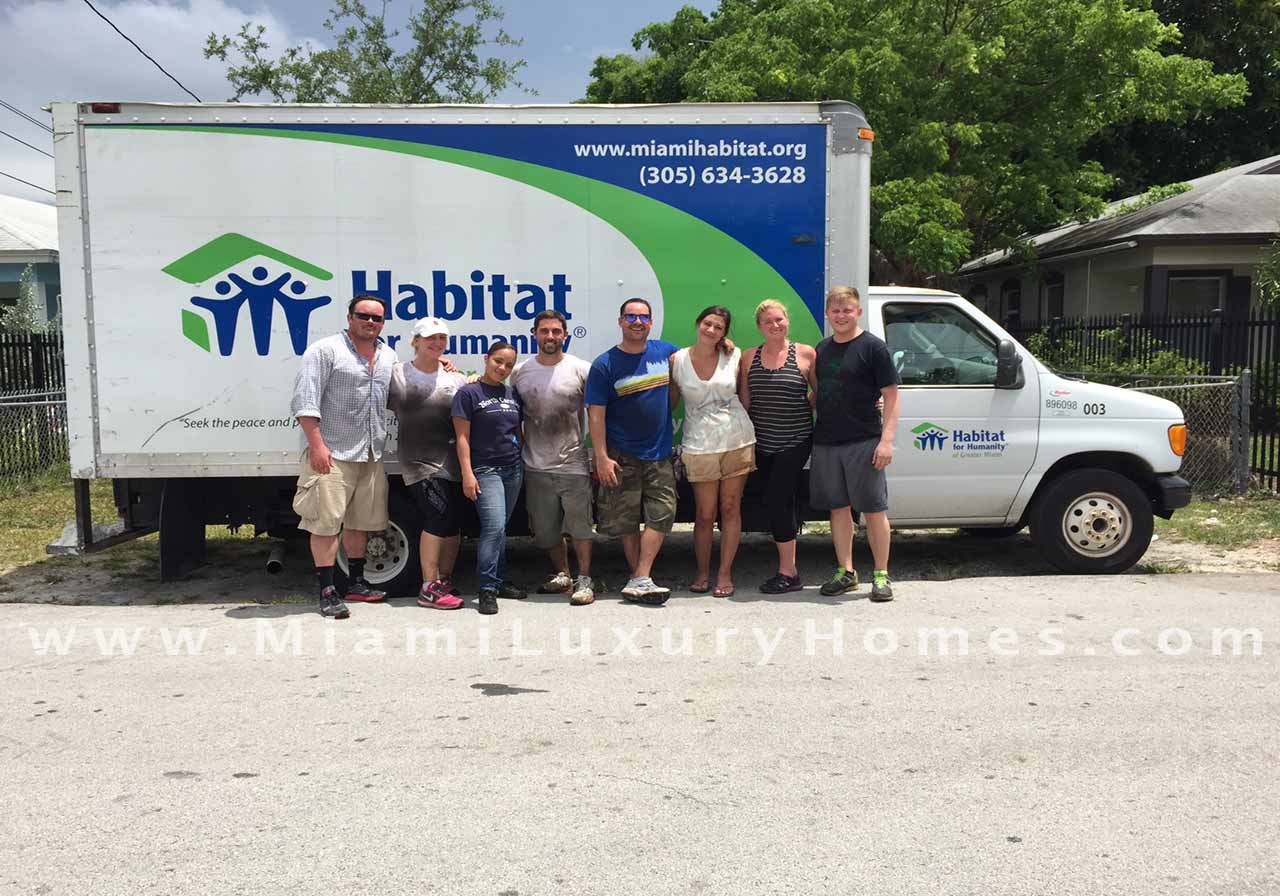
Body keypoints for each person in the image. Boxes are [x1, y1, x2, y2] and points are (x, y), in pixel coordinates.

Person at [291, 295, 398, 619]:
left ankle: (356, 582)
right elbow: (305, 402)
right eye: (363, 315)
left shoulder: (387, 355)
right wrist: (318, 447)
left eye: (377, 318)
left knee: (360, 524)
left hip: (369, 452)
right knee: (325, 525)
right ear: (350, 316)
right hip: (333, 453)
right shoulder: (325, 351)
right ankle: (327, 591)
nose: (370, 322)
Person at [585, 298, 679, 604]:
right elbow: (595, 414)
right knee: (626, 521)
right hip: (621, 453)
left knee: (663, 513)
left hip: (660, 451)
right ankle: (640, 579)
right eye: (631, 317)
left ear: (651, 322)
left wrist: (725, 343)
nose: (637, 322)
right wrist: (601, 456)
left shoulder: (666, 352)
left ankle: (640, 576)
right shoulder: (605, 364)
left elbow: (699, 357)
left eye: (643, 317)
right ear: (620, 321)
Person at [810, 286, 901, 601]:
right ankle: (845, 572)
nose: (841, 315)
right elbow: (820, 392)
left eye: (847, 310)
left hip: (864, 440)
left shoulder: (874, 348)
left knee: (874, 510)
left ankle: (881, 575)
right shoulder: (822, 349)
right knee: (838, 510)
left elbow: (891, 396)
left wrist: (886, 441)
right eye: (835, 310)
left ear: (858, 312)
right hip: (826, 441)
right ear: (828, 314)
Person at [510, 310, 597, 606]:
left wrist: (599, 454)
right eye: (544, 331)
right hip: (535, 465)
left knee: (580, 527)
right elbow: (509, 413)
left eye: (556, 331)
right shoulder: (520, 372)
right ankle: (562, 574)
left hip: (574, 464)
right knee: (545, 531)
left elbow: (598, 415)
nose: (550, 336)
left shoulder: (581, 369)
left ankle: (584, 578)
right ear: (534, 334)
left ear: (565, 334)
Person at [670, 305, 755, 597]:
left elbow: (744, 397)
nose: (711, 330)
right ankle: (703, 572)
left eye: (718, 327)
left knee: (731, 508)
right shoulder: (677, 359)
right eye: (708, 324)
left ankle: (724, 573)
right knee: (705, 514)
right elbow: (669, 402)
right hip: (699, 443)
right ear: (698, 323)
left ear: (724, 333)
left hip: (737, 439)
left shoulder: (733, 355)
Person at [388, 317, 467, 610]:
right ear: (415, 341)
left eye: (441, 339)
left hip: (453, 463)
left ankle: (443, 580)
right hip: (418, 462)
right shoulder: (397, 375)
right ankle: (428, 586)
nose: (436, 343)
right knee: (436, 517)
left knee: (451, 523)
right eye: (429, 338)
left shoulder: (455, 379)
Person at [738, 299, 816, 594]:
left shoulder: (806, 353)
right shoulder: (749, 357)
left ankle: (789, 572)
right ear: (760, 326)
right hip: (761, 441)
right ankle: (788, 564)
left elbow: (819, 394)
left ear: (787, 322)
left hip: (795, 439)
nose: (775, 325)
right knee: (772, 500)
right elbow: (745, 400)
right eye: (768, 321)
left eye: (779, 320)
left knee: (778, 499)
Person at [452, 342, 527, 615]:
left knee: (501, 529)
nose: (502, 368)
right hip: (485, 471)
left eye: (508, 364)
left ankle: (499, 581)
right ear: (486, 359)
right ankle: (486, 589)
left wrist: (519, 453)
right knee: (493, 528)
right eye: (498, 361)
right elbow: (462, 438)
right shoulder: (468, 393)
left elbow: (518, 430)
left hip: (513, 469)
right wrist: (467, 473)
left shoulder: (512, 393)